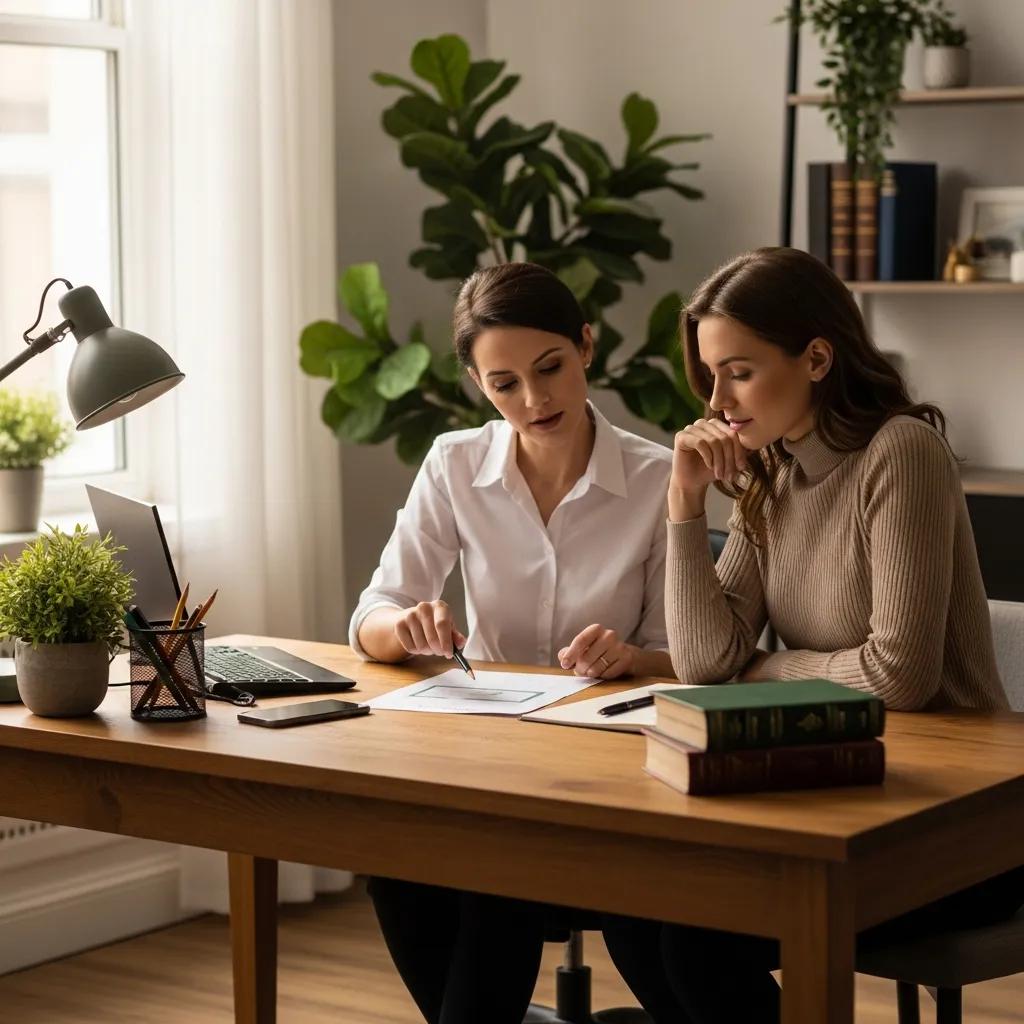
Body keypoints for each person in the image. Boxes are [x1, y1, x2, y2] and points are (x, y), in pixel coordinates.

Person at [601, 246, 1021, 1024]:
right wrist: (684, 502)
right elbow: (706, 662)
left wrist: (762, 668)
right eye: (710, 376)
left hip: (959, 825)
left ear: (818, 358)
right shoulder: (771, 473)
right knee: (637, 911)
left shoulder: (902, 452)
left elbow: (899, 677)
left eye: (739, 372)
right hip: (832, 793)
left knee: (695, 943)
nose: (718, 402)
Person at [350, 261, 675, 1024]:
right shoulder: (455, 462)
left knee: (498, 875)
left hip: (611, 764)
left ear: (586, 345)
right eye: (505, 383)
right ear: (477, 384)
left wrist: (631, 657)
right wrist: (406, 627)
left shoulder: (657, 478)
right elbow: (373, 613)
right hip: (489, 753)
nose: (534, 399)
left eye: (551, 367)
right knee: (395, 868)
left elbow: (686, 652)